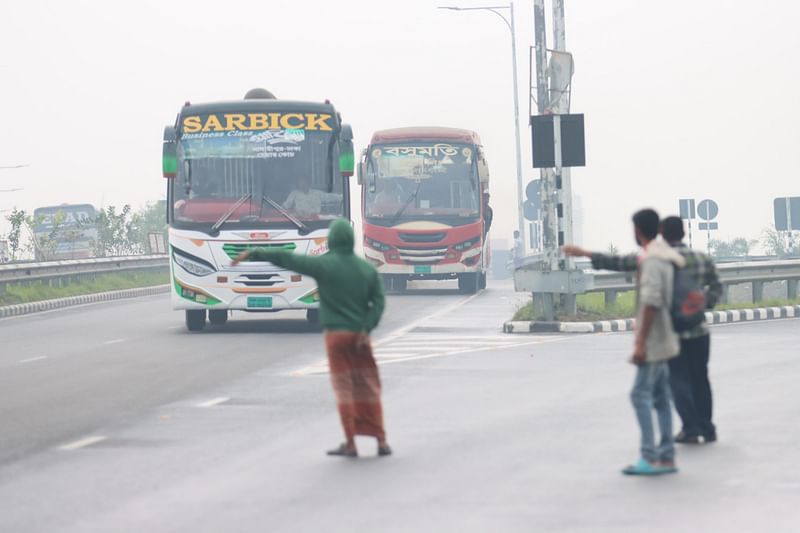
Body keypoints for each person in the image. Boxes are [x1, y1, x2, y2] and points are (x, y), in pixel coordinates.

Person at [231, 219, 390, 458]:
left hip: (336, 337)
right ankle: (380, 441)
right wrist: (366, 327)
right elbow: (378, 303)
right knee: (368, 386)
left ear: (332, 240)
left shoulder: (324, 265)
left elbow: (289, 259)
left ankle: (351, 443)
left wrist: (254, 252)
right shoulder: (367, 270)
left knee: (344, 389)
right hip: (359, 337)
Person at [563, 216, 722, 444]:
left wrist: (585, 253)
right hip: (698, 331)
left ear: (661, 234)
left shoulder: (654, 259)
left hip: (671, 332)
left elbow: (618, 262)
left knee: (678, 380)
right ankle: (707, 428)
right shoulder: (701, 258)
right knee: (701, 379)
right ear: (684, 234)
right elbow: (716, 287)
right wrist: (701, 305)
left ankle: (690, 427)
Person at [568, 209, 685, 475]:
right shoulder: (658, 254)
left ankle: (649, 457)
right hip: (665, 334)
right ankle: (666, 456)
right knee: (661, 397)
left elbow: (652, 301)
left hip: (654, 337)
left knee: (640, 395)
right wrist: (585, 254)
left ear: (638, 230)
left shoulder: (653, 260)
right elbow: (620, 262)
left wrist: (641, 343)